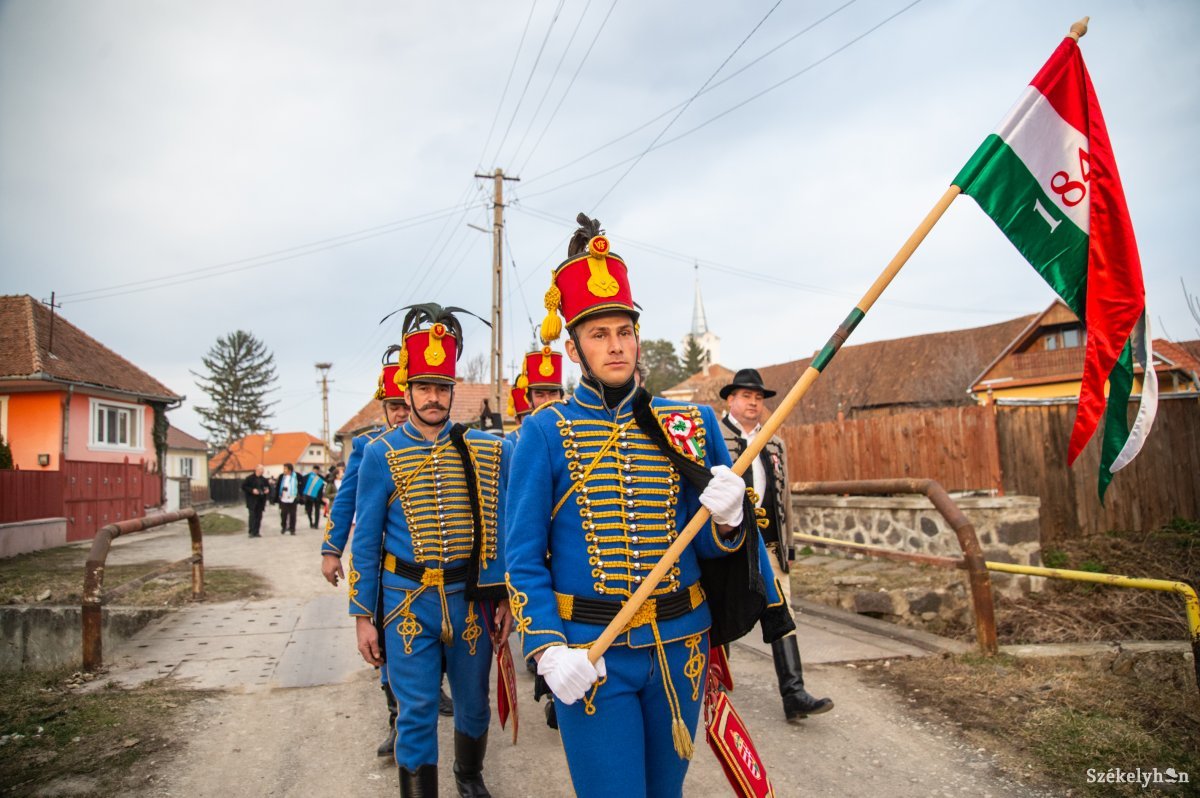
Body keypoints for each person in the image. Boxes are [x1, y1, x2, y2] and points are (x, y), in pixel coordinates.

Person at [505, 214, 793, 798]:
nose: (616, 345)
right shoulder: (543, 432)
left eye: (624, 331)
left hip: (680, 647)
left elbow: (713, 547)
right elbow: (522, 556)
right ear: (574, 346)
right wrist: (546, 646)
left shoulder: (688, 424)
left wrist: (732, 517)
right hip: (593, 651)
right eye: (599, 334)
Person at [350, 305, 513, 797]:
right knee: (416, 709)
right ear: (407, 390)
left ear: (452, 390)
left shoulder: (487, 449)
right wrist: (362, 614)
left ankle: (469, 776)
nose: (434, 397)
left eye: (442, 388)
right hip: (404, 601)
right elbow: (366, 540)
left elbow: (501, 527)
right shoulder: (380, 454)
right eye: (424, 387)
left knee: (473, 704)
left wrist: (505, 595)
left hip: (469, 599)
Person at [322, 353, 453, 761]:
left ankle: (429, 690)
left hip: (433, 570)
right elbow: (347, 504)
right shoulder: (370, 447)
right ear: (387, 406)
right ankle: (397, 717)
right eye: (395, 405)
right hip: (385, 562)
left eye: (403, 404)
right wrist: (331, 548)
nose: (401, 413)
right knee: (387, 645)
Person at [720, 368, 834, 722]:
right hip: (727, 546)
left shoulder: (774, 443)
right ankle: (710, 685)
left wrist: (789, 545)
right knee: (719, 612)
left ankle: (794, 693)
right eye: (746, 396)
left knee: (783, 616)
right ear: (730, 400)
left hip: (768, 546)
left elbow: (784, 497)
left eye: (758, 398)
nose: (753, 403)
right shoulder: (715, 436)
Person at [241, 464, 270, 537]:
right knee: (252, 516)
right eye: (261, 469)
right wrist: (252, 490)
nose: (262, 471)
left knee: (259, 516)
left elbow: (268, 487)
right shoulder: (249, 478)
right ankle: (251, 532)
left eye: (263, 469)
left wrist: (267, 490)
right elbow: (243, 486)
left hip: (261, 500)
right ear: (256, 470)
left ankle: (257, 531)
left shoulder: (264, 479)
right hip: (252, 500)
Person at [276, 463, 300, 534]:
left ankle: (292, 529)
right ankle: (283, 527)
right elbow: (278, 486)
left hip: (293, 497)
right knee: (283, 514)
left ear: (289, 469)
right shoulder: (282, 477)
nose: (284, 470)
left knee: (293, 514)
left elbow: (300, 484)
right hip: (284, 497)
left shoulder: (296, 476)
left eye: (285, 469)